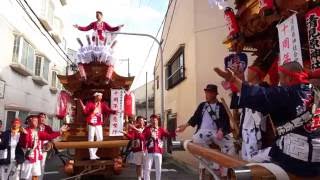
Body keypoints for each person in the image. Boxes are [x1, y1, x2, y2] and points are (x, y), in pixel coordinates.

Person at [214, 61, 320, 177]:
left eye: (281, 78)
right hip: (316, 159)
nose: (280, 82)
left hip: (294, 160)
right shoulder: (315, 92)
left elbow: (259, 95)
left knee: (245, 169)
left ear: (289, 78)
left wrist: (233, 79)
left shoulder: (286, 93)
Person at [176, 84, 235, 178]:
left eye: (208, 92)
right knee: (196, 139)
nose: (206, 94)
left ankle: (223, 170)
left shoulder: (221, 106)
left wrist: (221, 130)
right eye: (206, 92)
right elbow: (194, 118)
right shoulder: (202, 105)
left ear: (214, 94)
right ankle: (214, 164)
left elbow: (225, 120)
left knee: (231, 144)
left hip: (216, 132)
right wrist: (185, 126)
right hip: (203, 132)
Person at [230, 66, 272, 162]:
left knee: (253, 159)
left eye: (249, 72)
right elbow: (235, 104)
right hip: (245, 128)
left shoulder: (263, 88)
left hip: (255, 130)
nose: (247, 74)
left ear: (256, 74)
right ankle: (246, 176)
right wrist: (237, 80)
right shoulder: (247, 89)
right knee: (244, 158)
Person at [19, 115, 68, 180]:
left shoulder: (38, 132)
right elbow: (25, 144)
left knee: (36, 175)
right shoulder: (25, 131)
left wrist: (60, 132)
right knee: (27, 177)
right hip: (28, 158)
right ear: (29, 122)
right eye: (35, 121)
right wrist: (24, 135)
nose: (37, 122)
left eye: (37, 121)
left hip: (36, 158)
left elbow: (49, 136)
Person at [79, 92, 117, 160]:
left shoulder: (102, 104)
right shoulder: (90, 104)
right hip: (91, 123)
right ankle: (92, 155)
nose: (101, 98)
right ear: (96, 97)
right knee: (91, 139)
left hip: (99, 123)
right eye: (100, 96)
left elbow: (108, 110)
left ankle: (93, 153)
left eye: (101, 97)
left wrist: (115, 111)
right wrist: (86, 109)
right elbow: (85, 112)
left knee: (100, 138)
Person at [143, 114, 174, 180]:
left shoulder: (161, 129)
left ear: (157, 121)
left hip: (158, 151)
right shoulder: (147, 129)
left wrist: (175, 132)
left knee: (158, 169)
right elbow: (142, 137)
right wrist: (149, 137)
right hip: (149, 151)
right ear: (150, 121)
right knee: (147, 168)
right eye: (151, 120)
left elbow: (168, 135)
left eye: (155, 120)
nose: (153, 122)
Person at [122, 116, 146, 180]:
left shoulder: (146, 129)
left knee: (145, 165)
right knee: (138, 165)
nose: (141, 122)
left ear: (144, 121)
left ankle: (144, 176)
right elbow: (132, 137)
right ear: (137, 122)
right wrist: (126, 134)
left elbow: (146, 137)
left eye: (142, 120)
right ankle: (139, 177)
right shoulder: (134, 130)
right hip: (137, 149)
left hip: (146, 150)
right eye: (139, 121)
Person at [38, 113, 54, 180]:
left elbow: (51, 137)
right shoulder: (35, 127)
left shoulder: (48, 128)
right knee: (34, 165)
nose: (42, 118)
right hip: (35, 149)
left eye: (44, 117)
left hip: (44, 149)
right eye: (41, 117)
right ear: (38, 118)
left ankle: (40, 179)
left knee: (42, 165)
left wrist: (49, 144)